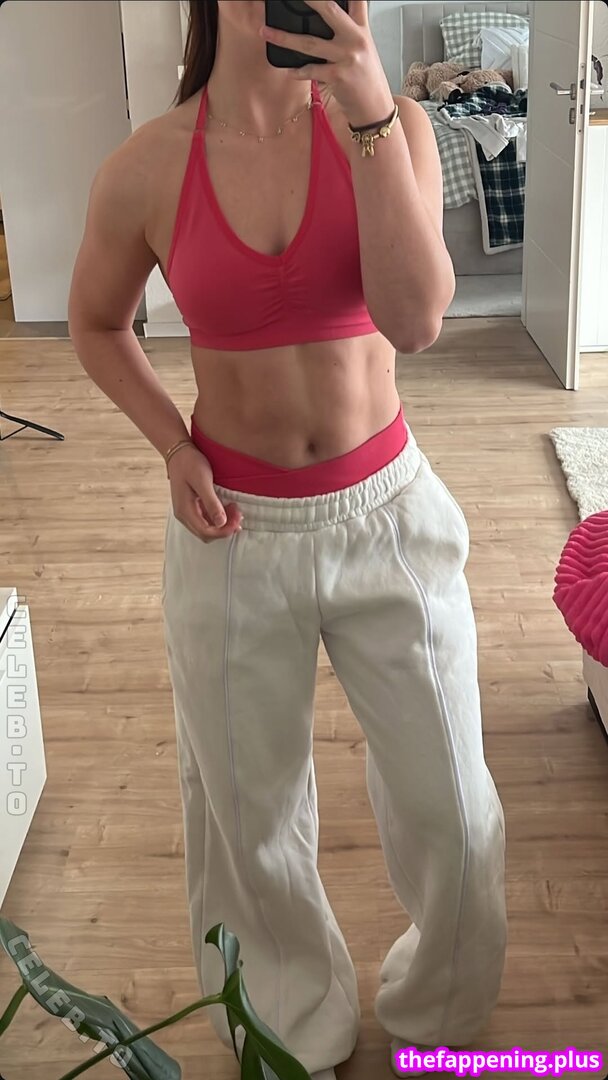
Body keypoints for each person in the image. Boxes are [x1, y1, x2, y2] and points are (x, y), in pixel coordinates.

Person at [68, 2, 507, 1077]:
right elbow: (96, 321)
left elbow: (416, 321)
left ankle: (441, 1013)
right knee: (246, 817)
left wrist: (367, 114)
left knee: (454, 807)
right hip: (233, 533)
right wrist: (173, 444)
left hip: (388, 518)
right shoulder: (146, 165)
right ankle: (284, 1026)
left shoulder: (390, 122)